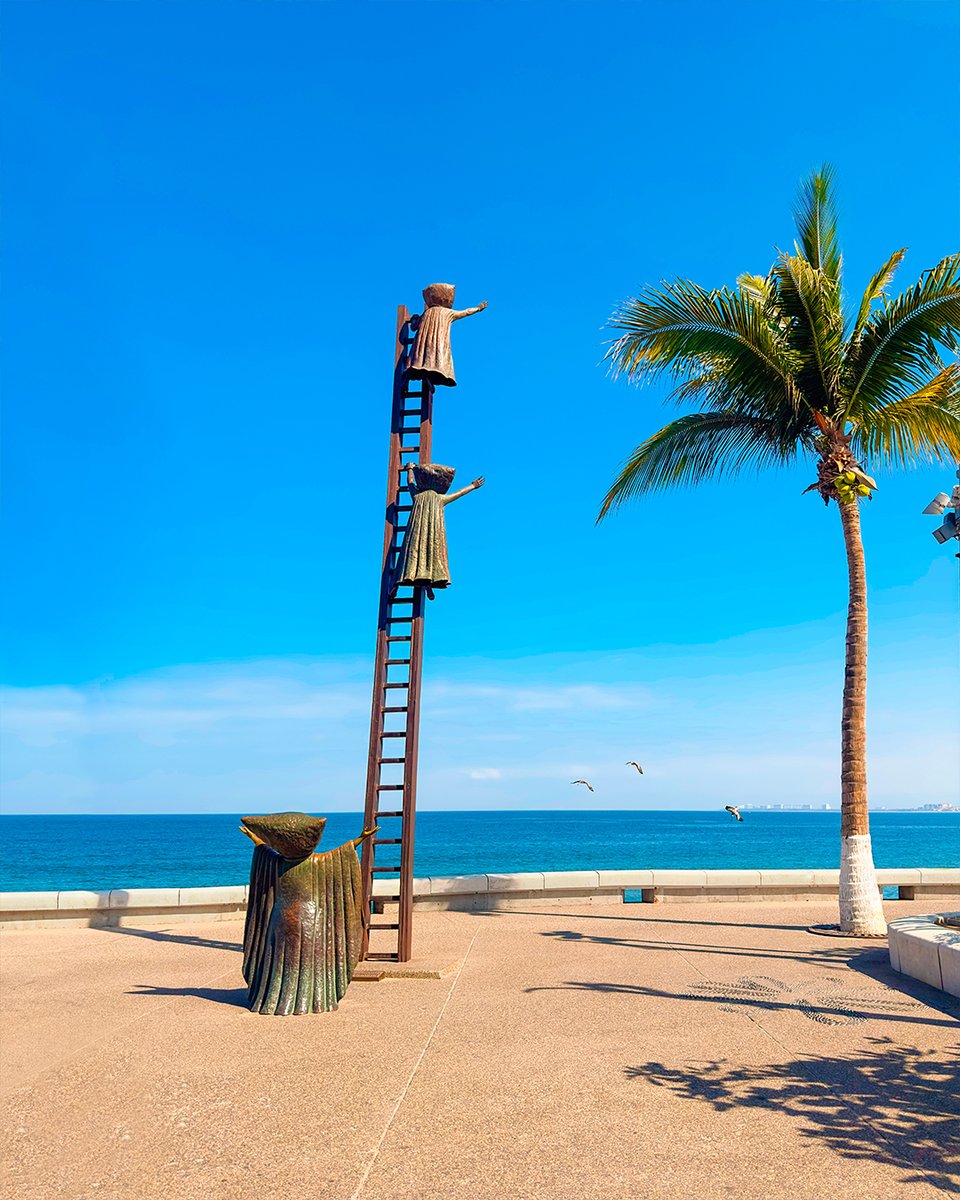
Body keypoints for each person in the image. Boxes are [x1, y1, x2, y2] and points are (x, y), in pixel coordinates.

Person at [394, 462, 484, 599]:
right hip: (431, 535)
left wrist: (410, 469)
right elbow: (458, 493)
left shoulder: (417, 496)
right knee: (431, 557)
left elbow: (410, 483)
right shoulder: (440, 498)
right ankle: (427, 586)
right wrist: (473, 486)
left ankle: (396, 587)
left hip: (416, 534)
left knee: (409, 557)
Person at [406, 282, 487, 387]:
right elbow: (466, 312)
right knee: (436, 361)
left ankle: (417, 378)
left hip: (422, 347)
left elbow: (413, 327)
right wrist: (478, 308)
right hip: (438, 345)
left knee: (421, 360)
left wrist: (414, 318)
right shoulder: (448, 313)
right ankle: (430, 377)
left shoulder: (427, 312)